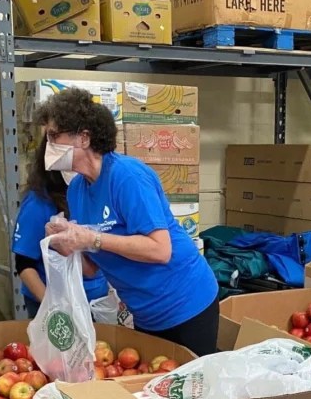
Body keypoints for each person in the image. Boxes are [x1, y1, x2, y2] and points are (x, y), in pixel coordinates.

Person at [33, 88, 220, 354]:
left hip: (186, 303)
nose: (48, 146)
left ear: (84, 138)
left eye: (53, 136)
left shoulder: (127, 176)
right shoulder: (77, 190)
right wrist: (68, 244)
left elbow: (160, 250)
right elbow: (92, 269)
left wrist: (91, 238)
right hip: (146, 314)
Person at [12, 135, 110, 319]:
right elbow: (24, 263)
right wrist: (51, 306)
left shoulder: (98, 194)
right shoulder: (39, 203)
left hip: (95, 298)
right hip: (55, 300)